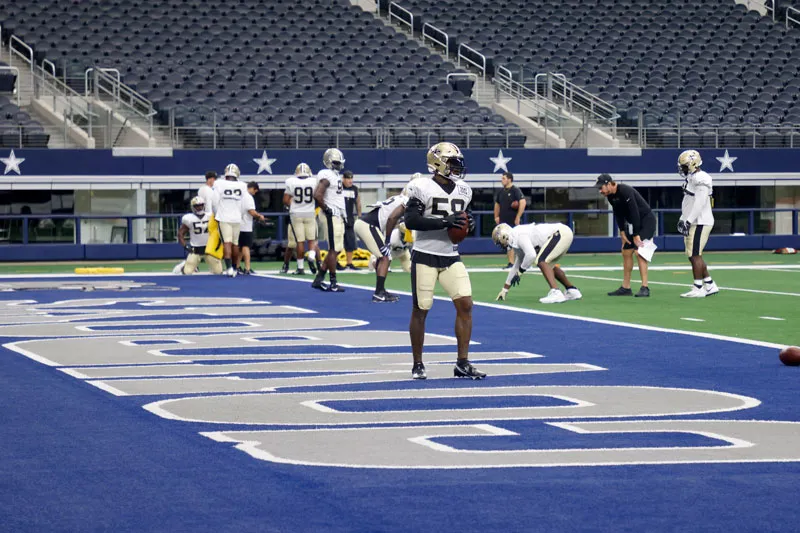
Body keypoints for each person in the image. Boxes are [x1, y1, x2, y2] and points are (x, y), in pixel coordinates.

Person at [404, 142, 485, 380]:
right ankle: (417, 363)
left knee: (466, 305)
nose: (457, 167)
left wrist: (467, 223)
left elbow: (462, 216)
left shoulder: (464, 190)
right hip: (425, 255)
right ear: (438, 163)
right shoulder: (421, 186)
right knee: (421, 309)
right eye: (452, 162)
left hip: (451, 255)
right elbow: (411, 220)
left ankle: (462, 362)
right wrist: (444, 222)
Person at [597, 173, 656, 298]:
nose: (600, 190)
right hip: (634, 223)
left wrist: (635, 235)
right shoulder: (610, 196)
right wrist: (622, 232)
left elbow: (634, 212)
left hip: (646, 221)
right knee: (626, 252)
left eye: (601, 187)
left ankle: (645, 287)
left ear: (609, 184)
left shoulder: (625, 191)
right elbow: (618, 213)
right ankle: (626, 287)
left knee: (640, 252)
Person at [492, 221, 582, 304]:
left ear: (504, 236)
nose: (501, 245)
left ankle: (556, 292)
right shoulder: (515, 239)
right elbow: (516, 265)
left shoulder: (518, 234)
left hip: (561, 233)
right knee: (549, 265)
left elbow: (531, 255)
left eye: (499, 241)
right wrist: (505, 290)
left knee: (540, 260)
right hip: (562, 234)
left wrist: (520, 272)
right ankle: (572, 290)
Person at [676, 150, 719, 298]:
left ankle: (698, 287)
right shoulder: (693, 176)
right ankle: (710, 284)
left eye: (684, 166)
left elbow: (700, 202)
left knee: (695, 255)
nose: (682, 169)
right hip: (694, 220)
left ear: (692, 164)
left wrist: (688, 221)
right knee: (692, 255)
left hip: (700, 221)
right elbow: (689, 202)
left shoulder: (702, 178)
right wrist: (684, 218)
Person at [353, 188, 408, 302]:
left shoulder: (399, 198)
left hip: (368, 225)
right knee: (385, 256)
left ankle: (380, 290)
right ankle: (379, 293)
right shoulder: (406, 201)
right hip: (368, 225)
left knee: (383, 257)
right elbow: (392, 218)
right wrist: (387, 239)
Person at [311, 148, 347, 292]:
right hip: (331, 215)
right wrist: (327, 209)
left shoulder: (334, 175)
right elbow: (318, 195)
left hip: (337, 215)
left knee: (337, 249)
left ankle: (319, 279)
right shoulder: (326, 175)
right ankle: (333, 282)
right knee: (333, 249)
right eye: (336, 162)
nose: (338, 165)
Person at [282, 163, 320, 275]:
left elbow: (285, 200)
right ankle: (312, 256)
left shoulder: (291, 181)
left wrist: (293, 205)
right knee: (312, 239)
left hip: (296, 214)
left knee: (300, 241)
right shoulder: (314, 181)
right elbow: (319, 196)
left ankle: (300, 267)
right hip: (310, 212)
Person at [212, 163, 248, 277]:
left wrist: (216, 214)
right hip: (236, 218)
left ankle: (229, 269)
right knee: (235, 244)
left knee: (226, 243)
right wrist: (240, 215)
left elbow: (214, 202)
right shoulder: (242, 185)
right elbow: (243, 204)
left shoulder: (219, 183)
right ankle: (235, 267)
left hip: (224, 217)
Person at [175, 196, 223, 275]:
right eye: (197, 206)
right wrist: (185, 245)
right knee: (187, 272)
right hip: (196, 249)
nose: (199, 207)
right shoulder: (189, 218)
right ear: (193, 207)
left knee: (218, 272)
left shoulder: (211, 216)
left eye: (201, 205)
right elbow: (180, 234)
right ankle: (182, 266)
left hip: (210, 249)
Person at [494, 171, 526, 268]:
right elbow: (497, 204)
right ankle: (511, 263)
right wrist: (496, 216)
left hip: (513, 220)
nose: (501, 180)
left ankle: (523, 262)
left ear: (509, 179)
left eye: (503, 178)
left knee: (518, 241)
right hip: (504, 221)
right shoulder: (501, 192)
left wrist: (518, 217)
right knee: (507, 242)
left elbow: (523, 202)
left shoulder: (515, 190)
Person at [238, 181, 266, 275]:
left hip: (237, 224)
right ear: (253, 188)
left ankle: (237, 267)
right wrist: (259, 216)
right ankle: (247, 268)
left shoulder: (239, 195)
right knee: (246, 247)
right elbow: (251, 211)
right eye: (255, 191)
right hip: (245, 225)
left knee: (239, 248)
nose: (255, 193)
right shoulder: (248, 197)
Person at [341, 170, 362, 270]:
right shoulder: (339, 188)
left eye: (351, 178)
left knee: (350, 241)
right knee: (337, 241)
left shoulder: (354, 189)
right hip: (339, 218)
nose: (350, 180)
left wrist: (359, 216)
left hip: (349, 218)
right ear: (343, 179)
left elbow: (358, 203)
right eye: (348, 178)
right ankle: (335, 262)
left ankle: (349, 263)